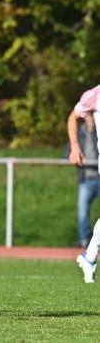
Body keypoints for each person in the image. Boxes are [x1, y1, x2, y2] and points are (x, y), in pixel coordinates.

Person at [67, 83, 100, 283]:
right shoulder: (95, 94)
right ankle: (89, 256)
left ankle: (89, 257)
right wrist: (74, 146)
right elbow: (73, 116)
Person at [71, 113, 100, 248]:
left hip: (99, 177)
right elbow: (72, 118)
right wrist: (74, 152)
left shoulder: (97, 131)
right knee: (82, 210)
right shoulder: (80, 133)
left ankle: (92, 251)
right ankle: (85, 240)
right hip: (86, 178)